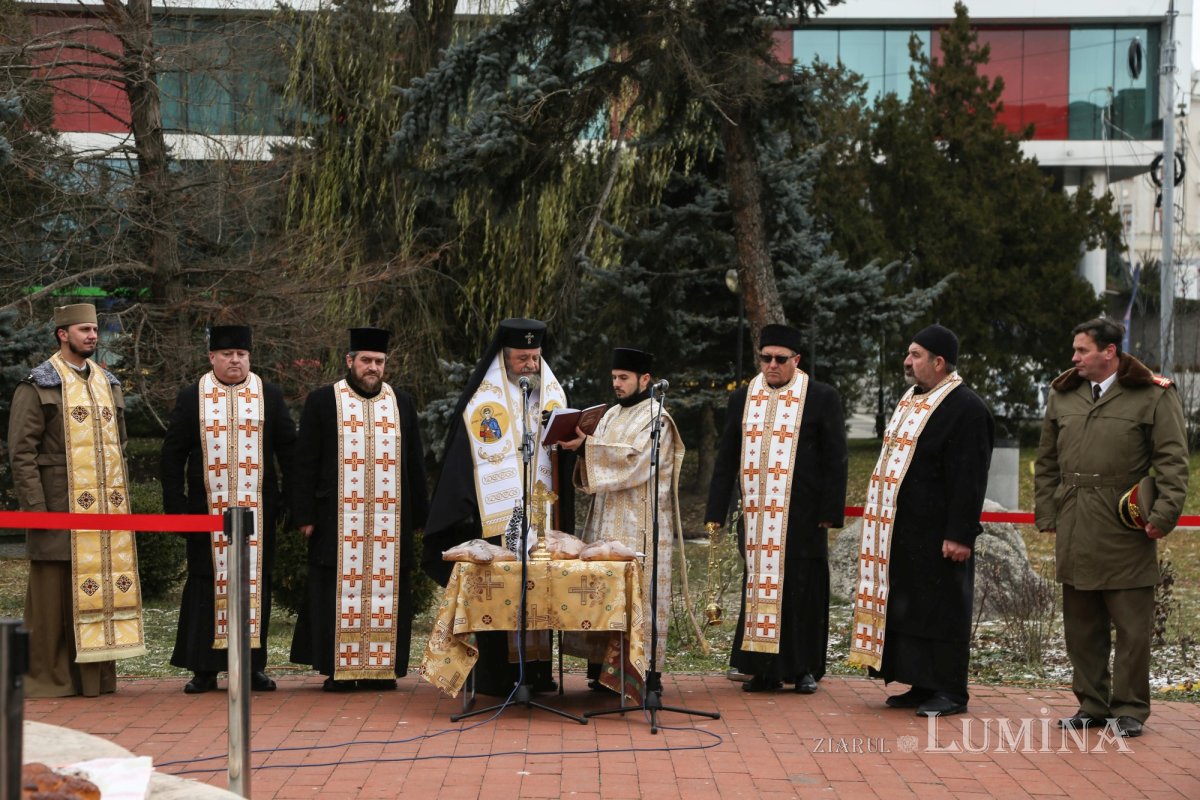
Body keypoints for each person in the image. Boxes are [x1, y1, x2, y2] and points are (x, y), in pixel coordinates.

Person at [1035, 317, 1188, 738]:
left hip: (1126, 523)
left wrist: (1163, 517)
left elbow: (1173, 461)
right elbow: (1047, 460)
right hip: (1075, 520)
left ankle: (1131, 708)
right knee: (1081, 625)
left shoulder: (1152, 394)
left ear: (1109, 352)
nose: (1075, 357)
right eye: (1075, 350)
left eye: (1082, 350)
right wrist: (1047, 513)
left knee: (1132, 626)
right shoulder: (1063, 393)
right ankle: (1091, 704)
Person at [423, 318, 576, 697]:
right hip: (496, 517)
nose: (530, 365)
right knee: (499, 592)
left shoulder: (550, 396)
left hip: (543, 513)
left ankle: (536, 675)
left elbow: (564, 452)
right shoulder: (481, 403)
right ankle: (495, 677)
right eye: (522, 358)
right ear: (505, 358)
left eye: (535, 357)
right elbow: (464, 461)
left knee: (541, 590)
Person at [848, 324, 993, 717]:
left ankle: (949, 691)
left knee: (943, 609)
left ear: (939, 362)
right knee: (912, 609)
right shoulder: (913, 399)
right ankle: (919, 681)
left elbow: (969, 477)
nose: (906, 361)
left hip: (940, 534)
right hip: (901, 532)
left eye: (915, 355)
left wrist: (960, 534)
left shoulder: (966, 408)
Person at [8, 303, 146, 697]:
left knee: (98, 594)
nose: (92, 336)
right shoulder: (37, 384)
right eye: (83, 329)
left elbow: (119, 444)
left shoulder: (109, 382)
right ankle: (48, 679)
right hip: (56, 506)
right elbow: (22, 452)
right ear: (62, 334)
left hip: (105, 511)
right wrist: (37, 512)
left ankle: (95, 680)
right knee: (52, 598)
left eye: (94, 329)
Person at [705, 324, 847, 694]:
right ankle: (763, 669)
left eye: (780, 359)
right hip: (755, 517)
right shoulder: (743, 398)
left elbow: (837, 459)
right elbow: (726, 459)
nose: (771, 365)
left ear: (796, 360)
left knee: (801, 590)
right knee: (758, 588)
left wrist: (830, 511)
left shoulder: (821, 397)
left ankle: (803, 670)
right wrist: (715, 512)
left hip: (803, 515)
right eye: (765, 358)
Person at [289, 328, 429, 691]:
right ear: (350, 361)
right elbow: (304, 461)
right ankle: (338, 668)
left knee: (387, 594)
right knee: (335, 593)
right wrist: (304, 514)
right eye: (366, 360)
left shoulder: (402, 403)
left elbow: (415, 461)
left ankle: (381, 669)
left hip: (390, 524)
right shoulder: (323, 400)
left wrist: (420, 517)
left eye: (379, 362)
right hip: (336, 522)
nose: (373, 368)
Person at [161, 325, 296, 694]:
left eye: (241, 354)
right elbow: (172, 456)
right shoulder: (193, 397)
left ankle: (252, 667)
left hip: (259, 514)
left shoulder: (268, 394)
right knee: (206, 584)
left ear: (249, 357)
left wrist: (289, 502)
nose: (234, 360)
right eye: (226, 354)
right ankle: (204, 669)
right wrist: (176, 510)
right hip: (206, 513)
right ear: (212, 358)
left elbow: (290, 451)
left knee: (255, 586)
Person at [561, 347, 685, 687]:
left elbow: (636, 463)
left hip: (640, 523)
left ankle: (643, 675)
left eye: (624, 378)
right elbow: (597, 463)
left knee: (639, 596)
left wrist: (587, 447)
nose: (617, 383)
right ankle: (603, 671)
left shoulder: (657, 417)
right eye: (614, 377)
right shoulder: (611, 414)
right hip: (607, 520)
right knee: (604, 592)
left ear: (644, 379)